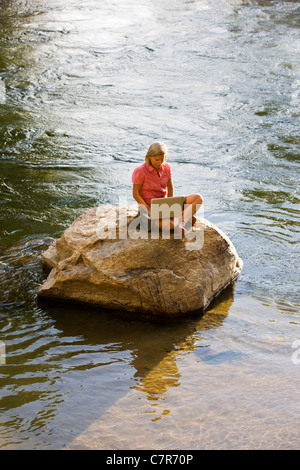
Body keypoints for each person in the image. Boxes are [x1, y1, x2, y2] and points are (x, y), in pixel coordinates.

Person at [132, 141, 203, 235]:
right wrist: (148, 209)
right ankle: (183, 219)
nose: (160, 162)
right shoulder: (140, 171)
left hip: (164, 206)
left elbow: (170, 188)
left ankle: (181, 221)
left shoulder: (166, 167)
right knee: (169, 225)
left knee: (198, 198)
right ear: (149, 157)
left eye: (162, 159)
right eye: (157, 160)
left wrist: (172, 206)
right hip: (149, 209)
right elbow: (135, 194)